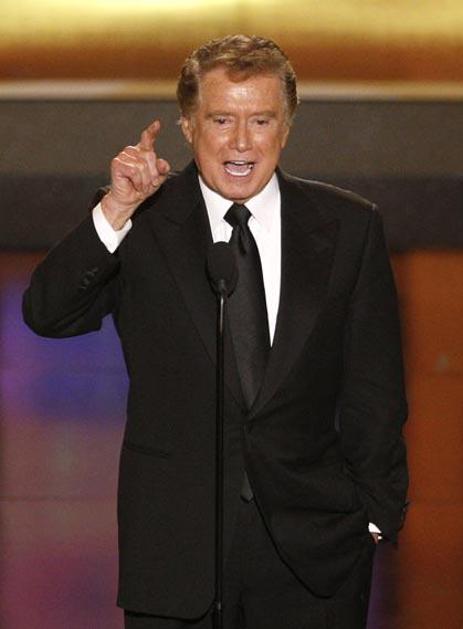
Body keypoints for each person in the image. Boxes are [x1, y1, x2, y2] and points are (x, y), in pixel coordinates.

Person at [23, 34, 408, 629]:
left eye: (261, 120)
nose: (241, 142)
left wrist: (375, 518)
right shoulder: (143, 220)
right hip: (175, 558)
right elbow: (47, 313)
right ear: (187, 125)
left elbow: (375, 392)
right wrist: (116, 210)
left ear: (286, 127)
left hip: (316, 560)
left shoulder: (349, 227)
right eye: (222, 119)